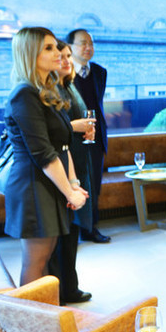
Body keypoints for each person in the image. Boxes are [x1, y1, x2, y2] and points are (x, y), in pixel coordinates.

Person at [4, 27, 87, 286]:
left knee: (47, 259)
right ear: (30, 53)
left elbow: (62, 145)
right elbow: (43, 153)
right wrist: (70, 192)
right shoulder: (24, 94)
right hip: (33, 186)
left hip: (49, 183)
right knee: (36, 262)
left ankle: (47, 310)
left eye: (55, 47)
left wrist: (72, 184)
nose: (58, 53)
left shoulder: (45, 90)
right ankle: (30, 312)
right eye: (48, 48)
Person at [48, 41, 95, 303]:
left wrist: (87, 129)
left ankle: (70, 287)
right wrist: (76, 126)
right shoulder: (49, 91)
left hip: (76, 160)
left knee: (72, 231)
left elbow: (77, 121)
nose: (66, 60)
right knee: (61, 234)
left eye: (68, 56)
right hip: (60, 165)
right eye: (62, 56)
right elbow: (56, 129)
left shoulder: (70, 86)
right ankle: (59, 292)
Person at [68, 28, 110, 243]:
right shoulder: (64, 73)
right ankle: (73, 229)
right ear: (70, 47)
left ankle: (91, 227)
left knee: (94, 184)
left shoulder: (100, 72)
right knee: (76, 183)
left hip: (96, 137)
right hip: (72, 138)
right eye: (82, 43)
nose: (88, 47)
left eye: (91, 43)